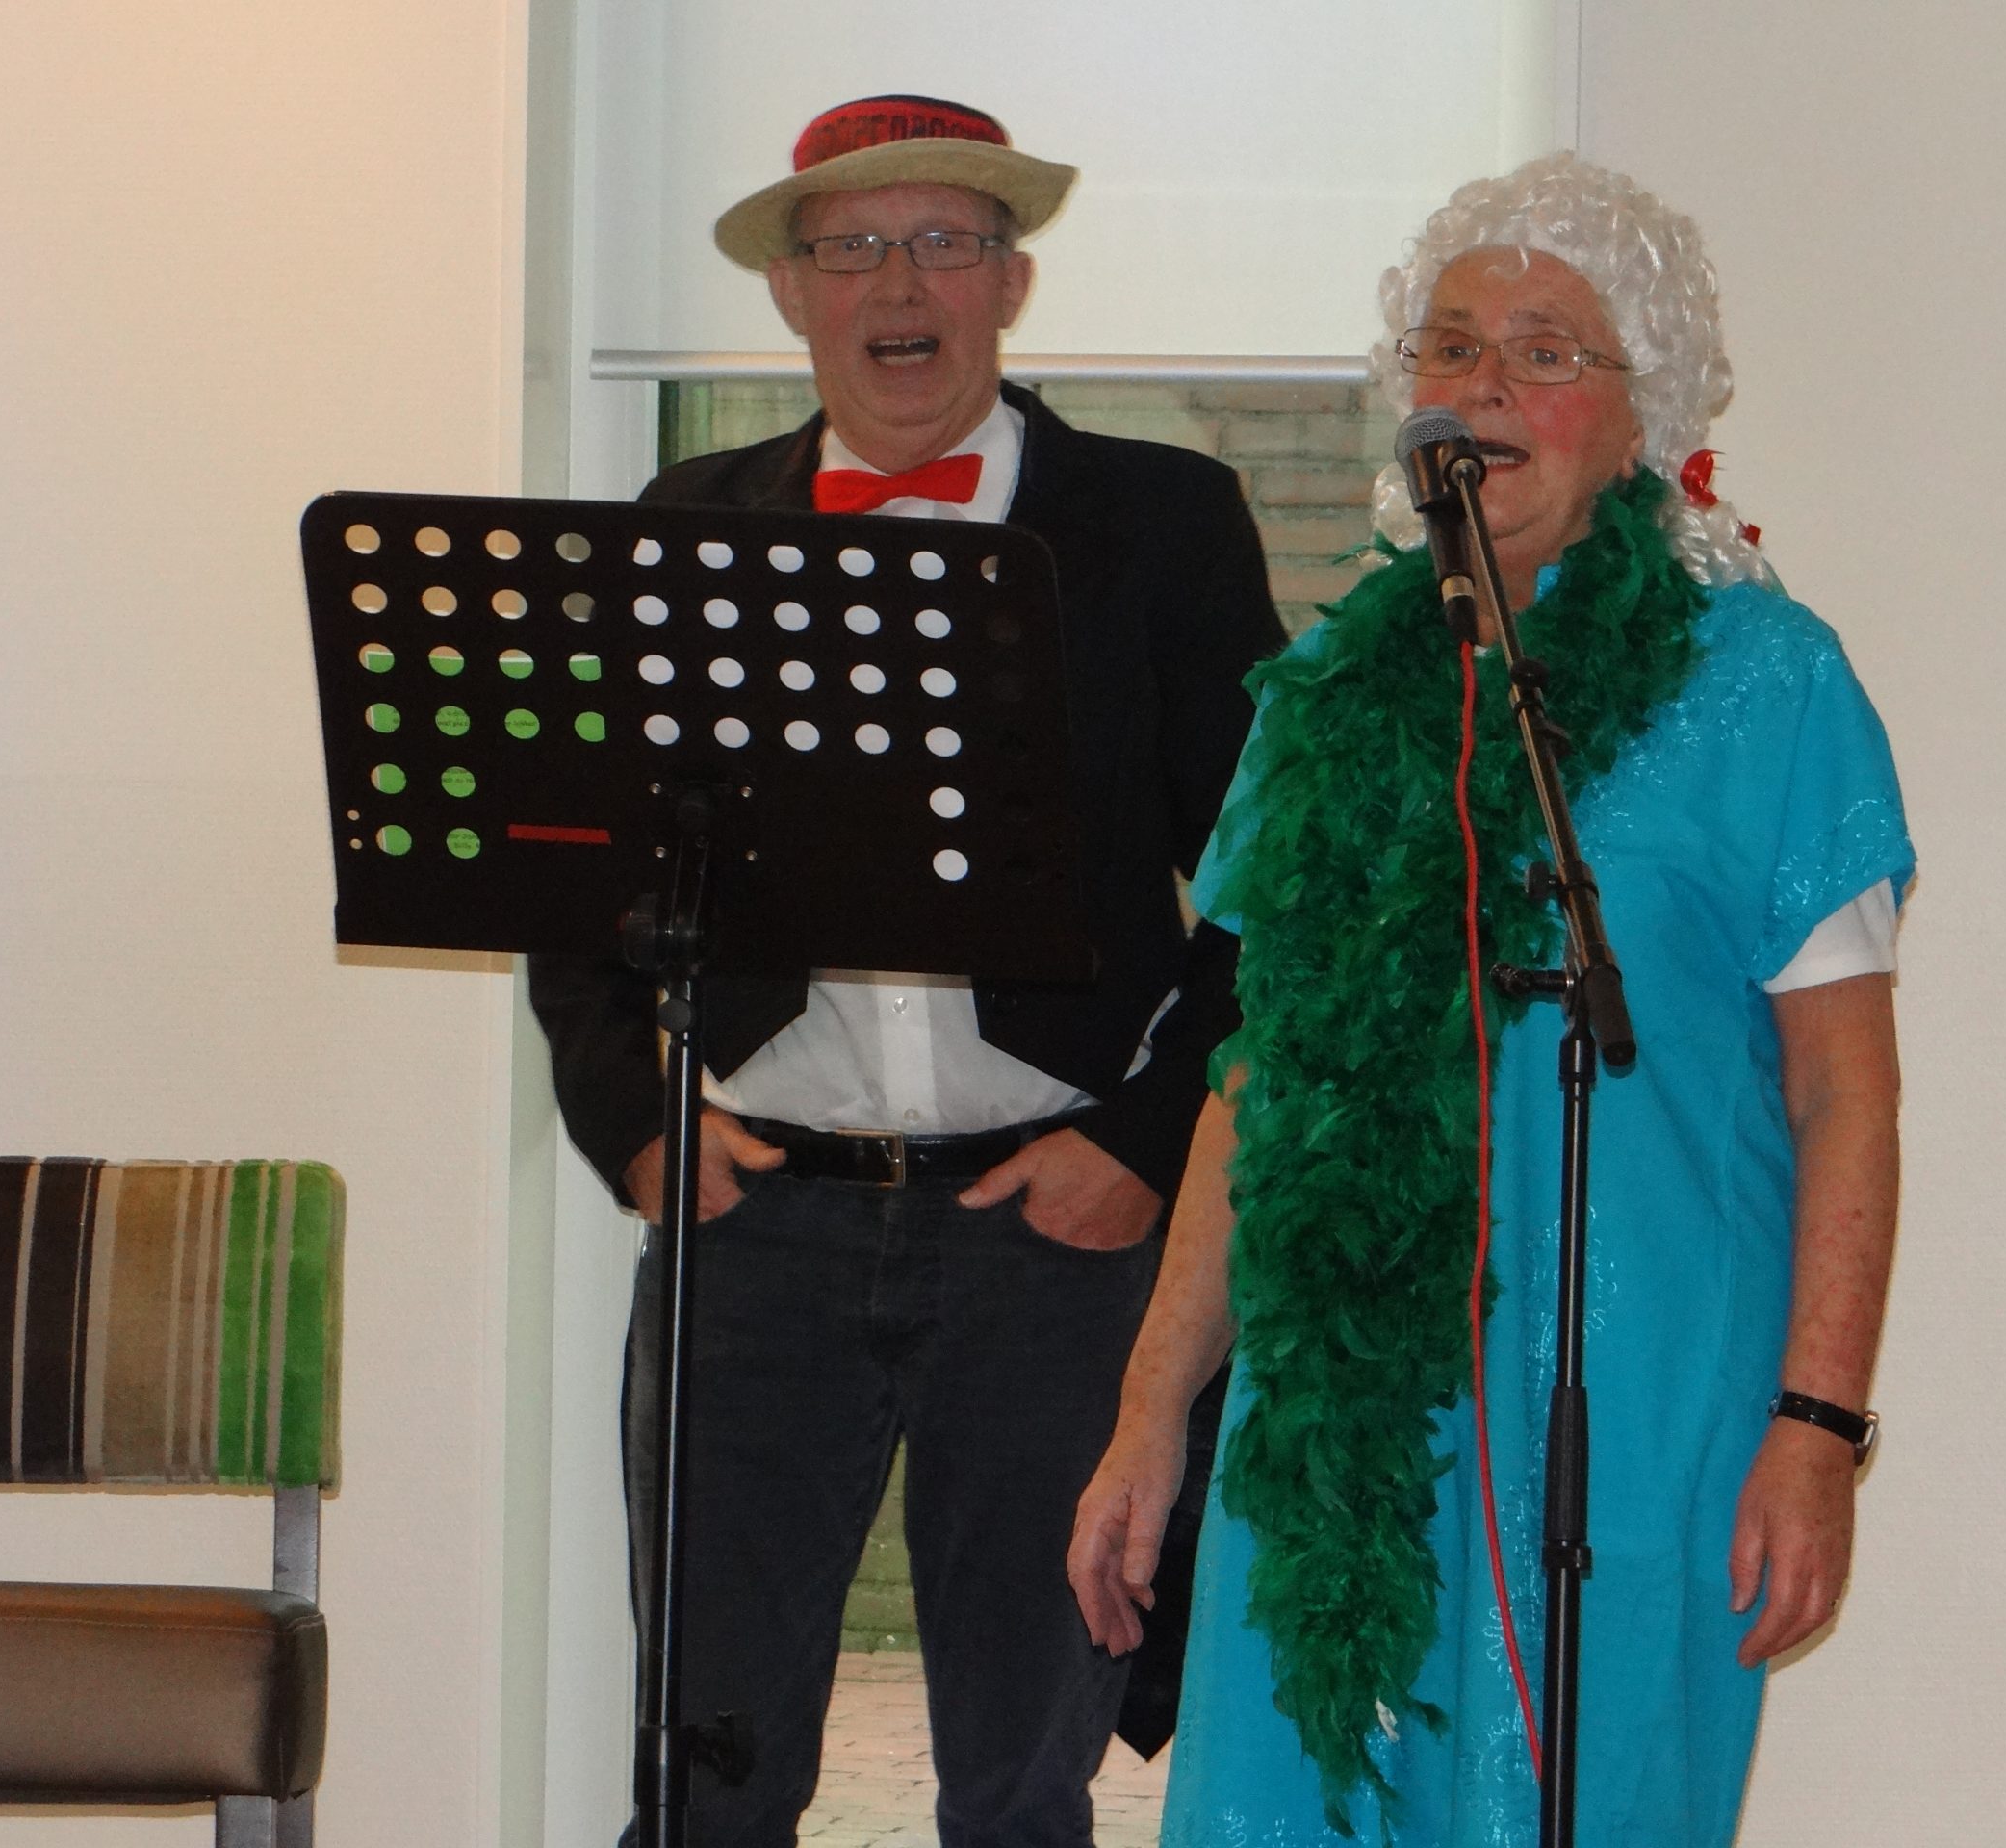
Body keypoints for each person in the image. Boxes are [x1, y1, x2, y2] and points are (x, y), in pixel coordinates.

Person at [1067, 153, 1914, 1845]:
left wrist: (1817, 1427)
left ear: (1644, 407)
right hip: (1339, 1408)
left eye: (1545, 350)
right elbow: (1255, 1084)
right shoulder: (1324, 695)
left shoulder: (1767, 680)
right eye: (1453, 348)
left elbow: (1845, 1092)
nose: (1486, 387)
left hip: (1648, 1386)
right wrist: (1150, 1411)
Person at [527, 95, 1284, 1848]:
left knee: (1022, 1792)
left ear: (1011, 280)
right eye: (852, 246)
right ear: (790, 293)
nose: (899, 284)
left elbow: (1278, 888)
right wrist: (636, 1120)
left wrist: (1145, 1143)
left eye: (945, 241)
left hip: (1054, 1243)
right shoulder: (685, 518)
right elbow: (574, 871)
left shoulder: (1162, 522)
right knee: (704, 1788)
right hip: (755, 1234)